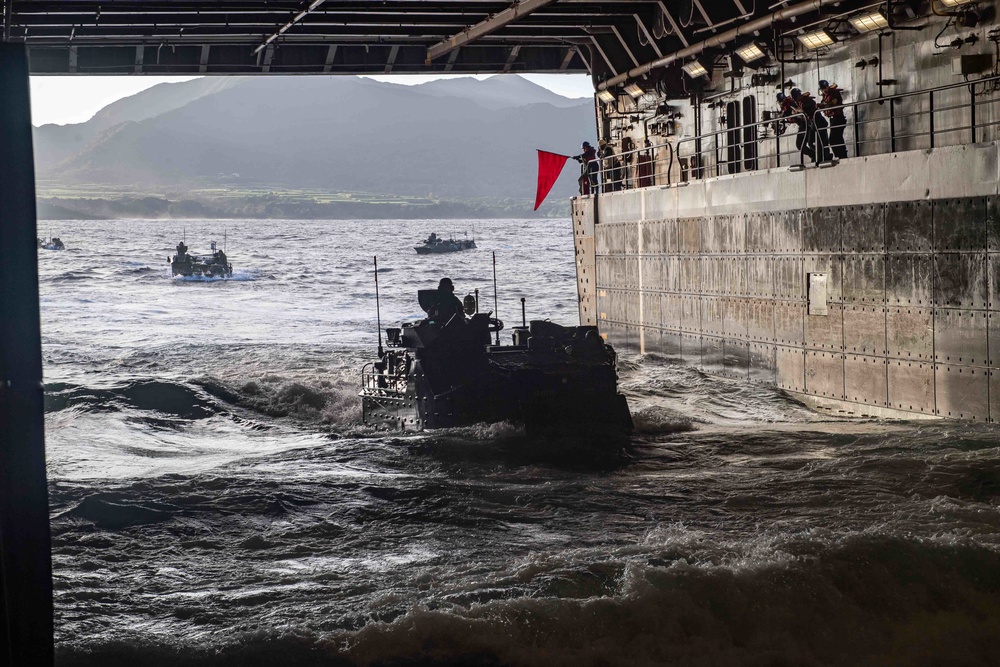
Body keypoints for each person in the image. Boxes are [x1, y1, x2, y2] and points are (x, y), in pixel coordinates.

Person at [798, 90, 831, 162]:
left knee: (822, 141)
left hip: (819, 123)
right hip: (813, 124)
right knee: (811, 142)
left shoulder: (808, 101)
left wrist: (802, 111)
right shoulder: (801, 102)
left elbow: (811, 109)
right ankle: (818, 156)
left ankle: (825, 156)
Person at [819, 79, 848, 159]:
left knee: (833, 139)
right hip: (832, 119)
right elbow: (823, 104)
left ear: (828, 86)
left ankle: (841, 156)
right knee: (838, 138)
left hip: (838, 118)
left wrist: (824, 105)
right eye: (822, 89)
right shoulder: (825, 96)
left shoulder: (834, 93)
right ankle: (842, 156)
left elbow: (833, 103)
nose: (824, 90)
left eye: (825, 88)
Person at [779, 90, 810, 162]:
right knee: (803, 144)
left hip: (806, 124)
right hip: (803, 125)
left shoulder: (791, 104)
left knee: (803, 144)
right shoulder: (788, 105)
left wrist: (795, 113)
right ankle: (815, 155)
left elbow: (801, 112)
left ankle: (816, 155)